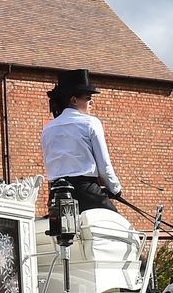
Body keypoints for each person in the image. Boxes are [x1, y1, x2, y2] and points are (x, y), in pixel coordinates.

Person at [41, 68, 122, 212]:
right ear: (74, 100)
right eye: (88, 98)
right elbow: (104, 166)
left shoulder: (47, 128)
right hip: (86, 192)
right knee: (119, 228)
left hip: (56, 194)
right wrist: (115, 189)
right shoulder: (90, 123)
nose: (92, 103)